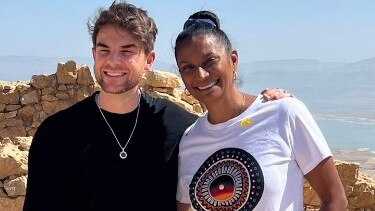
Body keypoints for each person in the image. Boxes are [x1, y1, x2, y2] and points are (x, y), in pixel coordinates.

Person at [23, 2, 292, 211]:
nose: (113, 62)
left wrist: (265, 105)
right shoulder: (55, 134)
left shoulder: (182, 127)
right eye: (104, 50)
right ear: (94, 54)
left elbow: (237, 138)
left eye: (127, 51)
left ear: (149, 59)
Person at [174, 11, 348, 211]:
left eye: (210, 61)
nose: (201, 75)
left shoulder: (284, 113)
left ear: (233, 60)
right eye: (188, 67)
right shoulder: (189, 140)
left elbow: (335, 200)